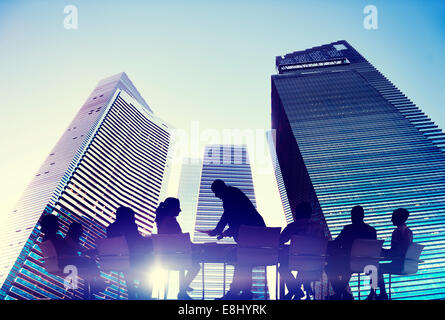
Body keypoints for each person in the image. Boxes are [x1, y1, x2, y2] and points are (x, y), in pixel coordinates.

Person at [205, 179, 266, 300]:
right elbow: (238, 217)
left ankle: (235, 293)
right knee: (244, 260)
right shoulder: (234, 193)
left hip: (250, 233)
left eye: (215, 192)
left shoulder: (228, 196)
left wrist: (218, 230)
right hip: (256, 233)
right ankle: (243, 293)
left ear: (220, 189)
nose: (216, 196)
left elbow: (228, 215)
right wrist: (225, 231)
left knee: (241, 259)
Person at [39, 215, 105, 298]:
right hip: (65, 263)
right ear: (52, 224)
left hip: (55, 265)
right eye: (56, 223)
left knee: (88, 263)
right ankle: (96, 286)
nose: (58, 225)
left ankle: (93, 289)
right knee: (90, 262)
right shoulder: (56, 237)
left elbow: (62, 252)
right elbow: (67, 251)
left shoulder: (45, 239)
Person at [325, 205, 377, 300]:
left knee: (329, 267)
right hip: (368, 264)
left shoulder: (348, 229)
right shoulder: (372, 231)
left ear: (352, 216)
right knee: (345, 268)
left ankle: (339, 292)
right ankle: (342, 292)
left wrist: (324, 245)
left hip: (348, 263)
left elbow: (337, 243)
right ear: (363, 216)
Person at [278, 202, 326, 300]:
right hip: (316, 264)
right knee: (304, 268)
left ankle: (295, 290)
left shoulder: (293, 226)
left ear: (297, 214)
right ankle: (298, 290)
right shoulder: (319, 227)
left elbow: (280, 240)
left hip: (297, 261)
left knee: (282, 267)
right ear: (310, 214)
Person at [155, 197, 200, 300]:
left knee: (185, 261)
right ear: (173, 208)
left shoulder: (161, 222)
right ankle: (183, 290)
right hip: (176, 259)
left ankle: (183, 289)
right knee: (195, 265)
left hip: (165, 259)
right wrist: (196, 247)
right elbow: (181, 241)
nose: (180, 210)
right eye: (178, 207)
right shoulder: (171, 222)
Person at [107, 206, 153, 300]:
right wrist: (150, 240)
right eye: (133, 216)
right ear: (128, 217)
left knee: (127, 265)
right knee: (151, 263)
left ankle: (132, 292)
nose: (134, 219)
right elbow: (137, 241)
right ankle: (143, 294)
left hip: (116, 262)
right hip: (132, 261)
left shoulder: (110, 228)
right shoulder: (130, 226)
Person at [367, 208, 413, 300]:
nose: (391, 220)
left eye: (393, 217)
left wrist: (380, 250)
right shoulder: (408, 231)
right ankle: (379, 293)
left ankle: (377, 294)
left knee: (374, 268)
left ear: (398, 218)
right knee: (376, 267)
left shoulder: (397, 232)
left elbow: (395, 252)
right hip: (405, 263)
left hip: (399, 264)